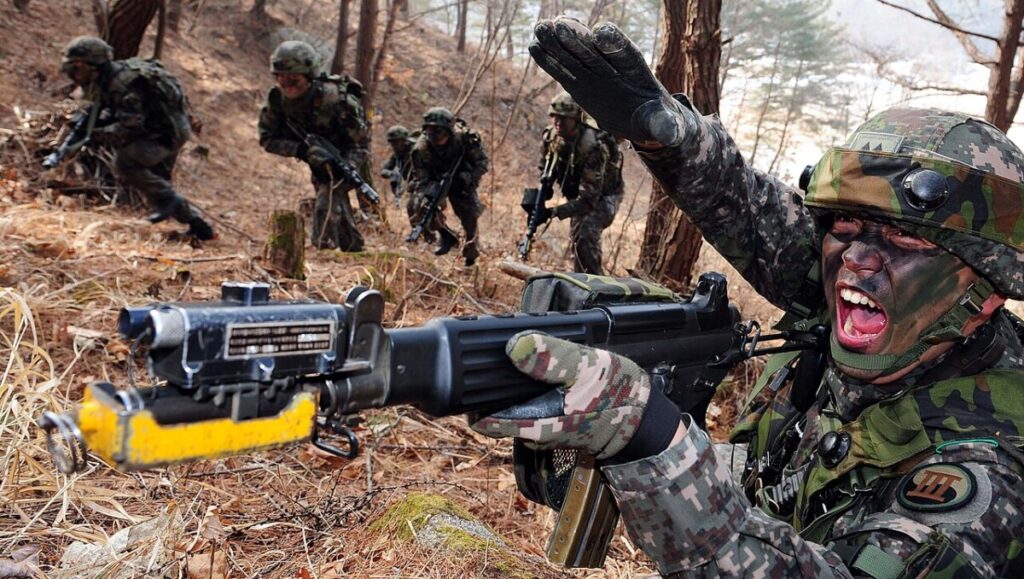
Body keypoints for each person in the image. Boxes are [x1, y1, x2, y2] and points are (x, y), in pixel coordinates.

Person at [471, 17, 1024, 577]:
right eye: (848, 224)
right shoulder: (851, 299)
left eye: (905, 238)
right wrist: (671, 135)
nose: (857, 259)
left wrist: (657, 445)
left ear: (986, 285)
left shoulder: (990, 467)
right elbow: (755, 214)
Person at [51, 36, 215, 241]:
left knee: (125, 163)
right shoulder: (107, 78)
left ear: (93, 65)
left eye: (77, 67)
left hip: (166, 135)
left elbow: (128, 127)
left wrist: (95, 136)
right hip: (168, 127)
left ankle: (175, 206)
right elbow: (98, 112)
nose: (73, 74)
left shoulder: (122, 85)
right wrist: (73, 139)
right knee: (159, 187)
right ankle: (201, 228)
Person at [258, 40, 369, 251]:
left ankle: (322, 249)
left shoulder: (336, 99)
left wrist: (349, 167)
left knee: (327, 198)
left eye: (293, 78)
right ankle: (353, 247)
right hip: (316, 160)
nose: (286, 83)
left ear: (308, 75)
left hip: (345, 157)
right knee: (330, 197)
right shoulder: (277, 99)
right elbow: (267, 139)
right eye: (280, 77)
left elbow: (361, 143)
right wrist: (301, 150)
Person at [539, 91, 624, 274]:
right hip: (580, 195)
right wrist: (540, 198)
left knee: (585, 234)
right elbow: (545, 168)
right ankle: (581, 285)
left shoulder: (592, 146)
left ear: (576, 120)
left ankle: (597, 289)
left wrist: (554, 212)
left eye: (565, 118)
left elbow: (588, 201)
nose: (558, 123)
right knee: (577, 241)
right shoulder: (551, 137)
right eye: (555, 118)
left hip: (605, 195)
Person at [406, 107, 489, 266]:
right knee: (422, 207)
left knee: (469, 218)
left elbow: (482, 163)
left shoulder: (465, 139)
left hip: (462, 182)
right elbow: (421, 178)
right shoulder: (420, 149)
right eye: (430, 132)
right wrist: (428, 194)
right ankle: (446, 235)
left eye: (439, 132)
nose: (435, 137)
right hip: (436, 182)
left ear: (448, 131)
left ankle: (470, 256)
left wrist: (468, 177)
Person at [380, 124, 415, 214]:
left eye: (396, 142)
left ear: (404, 140)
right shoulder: (398, 154)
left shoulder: (416, 150)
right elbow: (384, 170)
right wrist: (393, 174)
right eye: (391, 142)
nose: (393, 145)